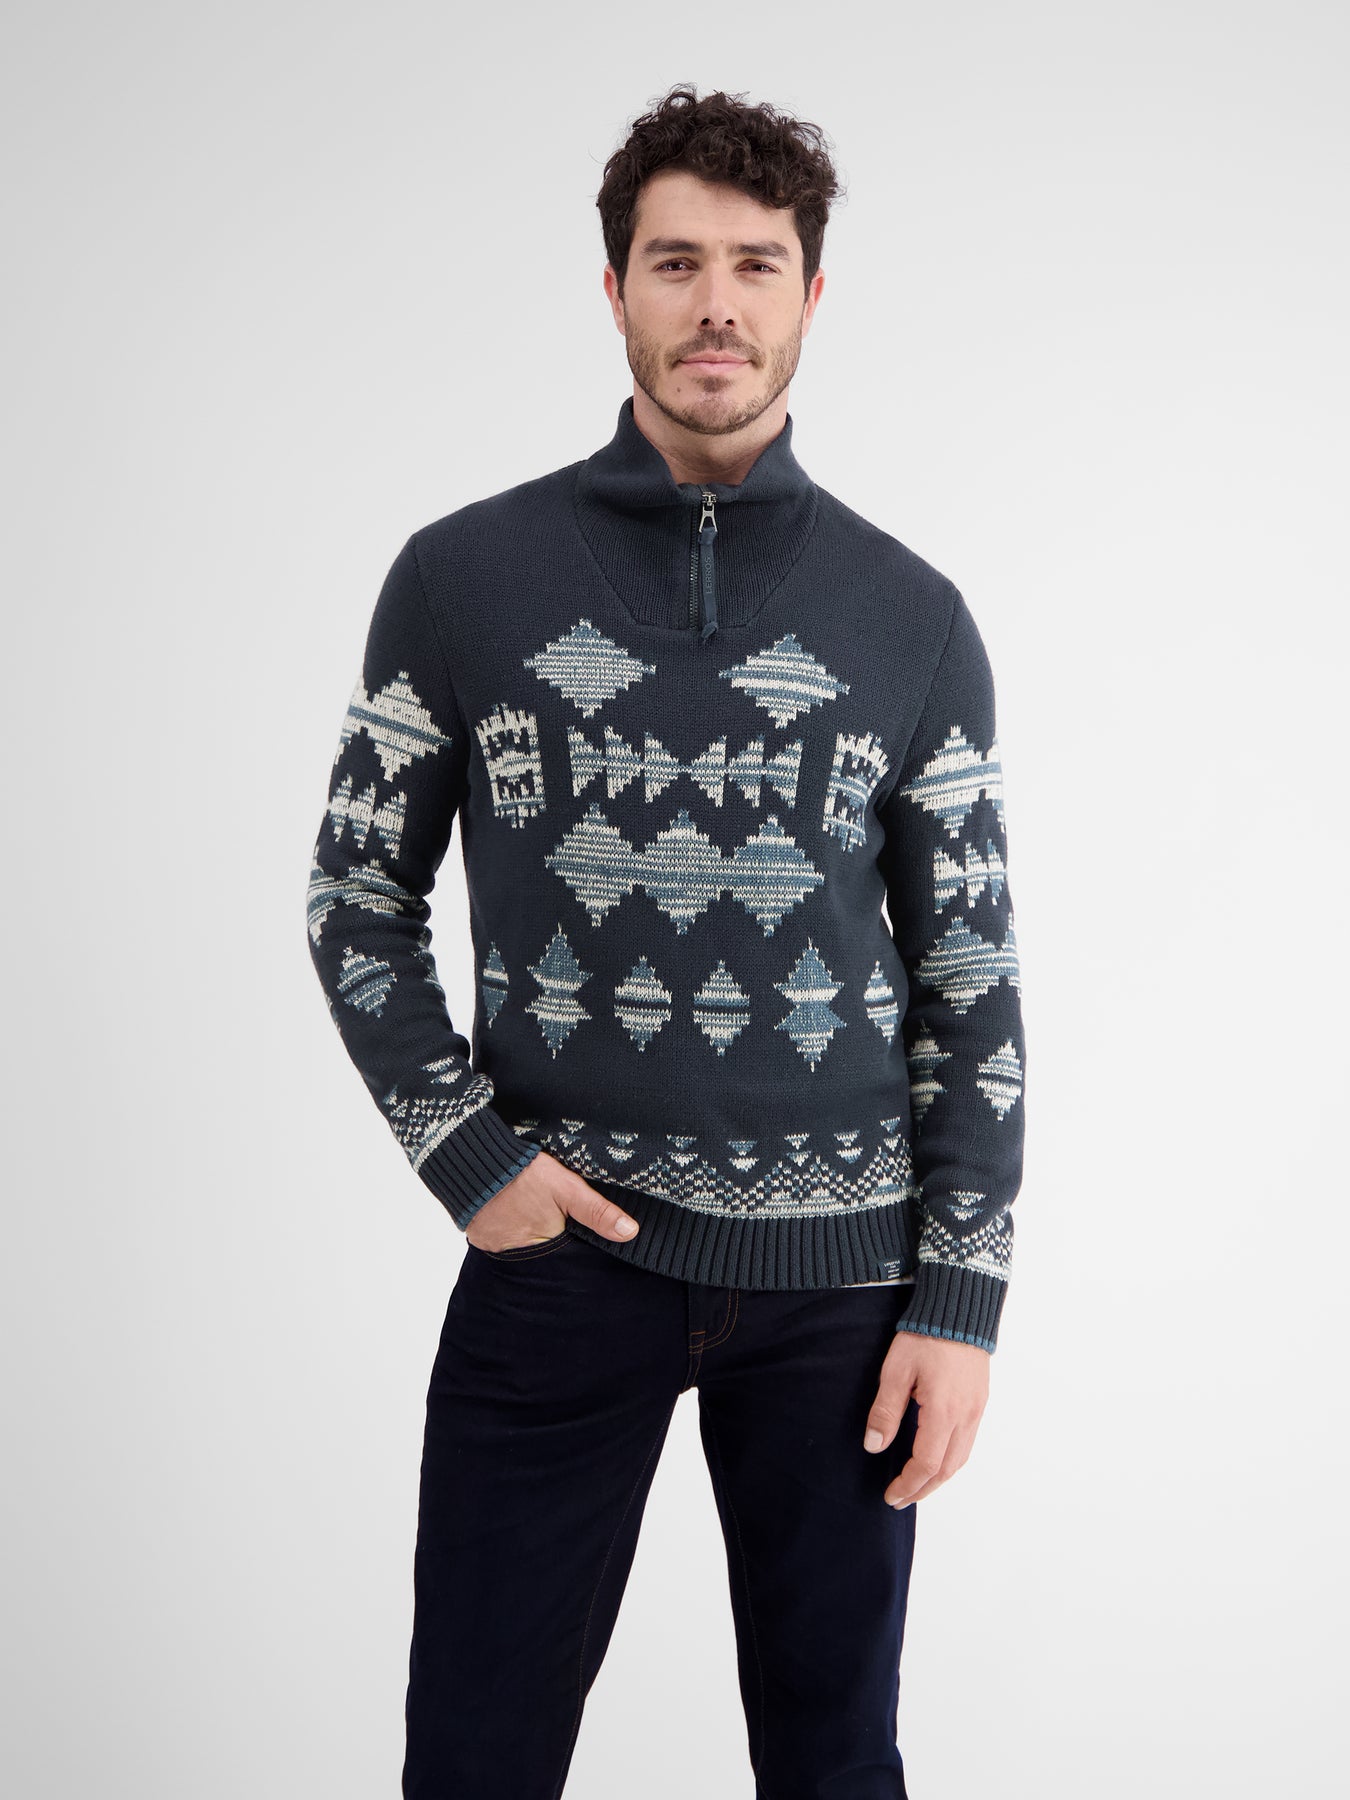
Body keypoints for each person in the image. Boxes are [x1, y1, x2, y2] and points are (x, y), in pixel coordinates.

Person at [305, 82, 1026, 1800]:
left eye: (755, 266)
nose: (716, 305)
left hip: (841, 1290)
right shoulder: (462, 579)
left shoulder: (911, 619)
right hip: (561, 1263)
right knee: (472, 1758)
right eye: (676, 261)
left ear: (809, 295)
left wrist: (962, 1296)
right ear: (614, 287)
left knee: (834, 1763)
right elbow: (353, 894)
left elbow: (970, 977)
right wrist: (468, 1158)